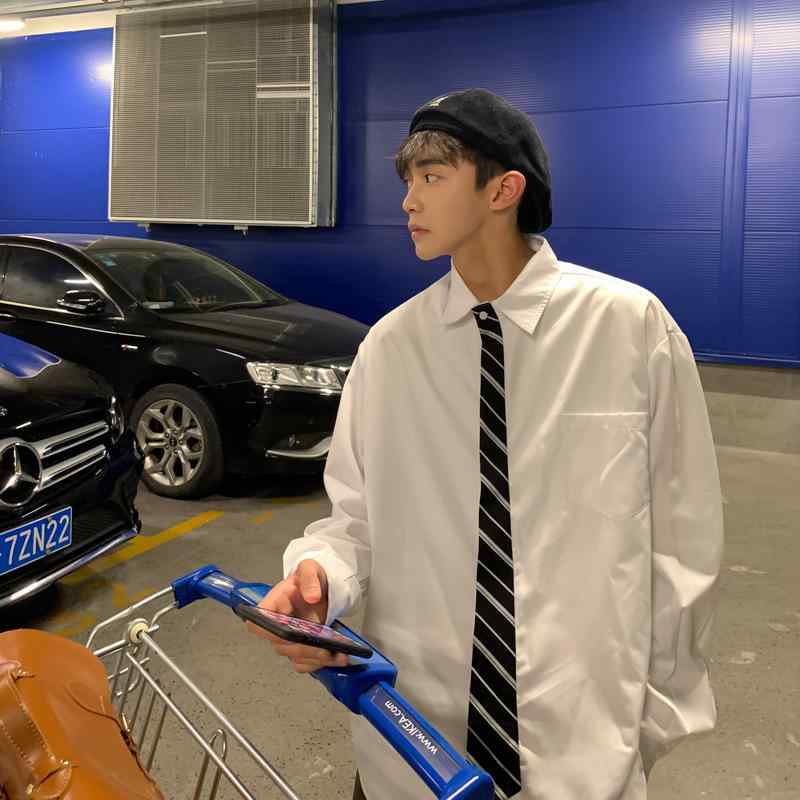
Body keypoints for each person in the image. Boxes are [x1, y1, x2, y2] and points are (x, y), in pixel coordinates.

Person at [249, 88, 724, 800]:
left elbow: (684, 545)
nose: (409, 200)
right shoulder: (390, 350)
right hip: (410, 752)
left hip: (582, 757)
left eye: (432, 176)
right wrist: (321, 579)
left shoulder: (629, 330)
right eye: (407, 179)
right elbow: (354, 523)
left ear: (503, 190)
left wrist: (647, 724)